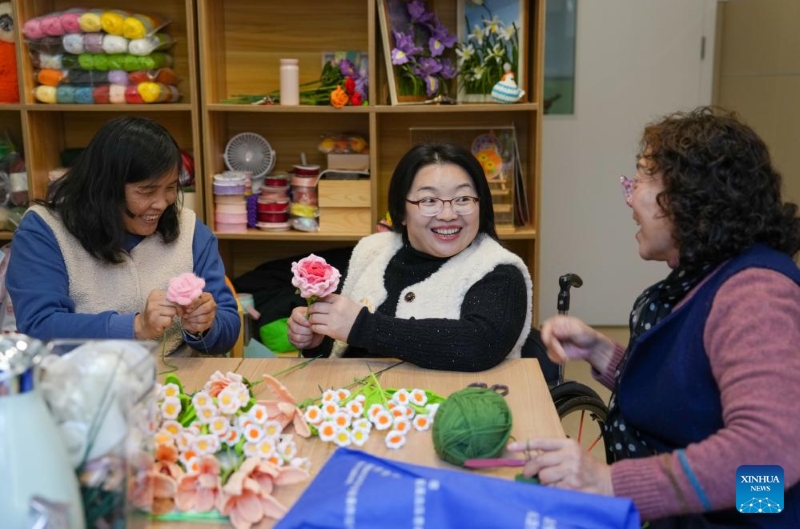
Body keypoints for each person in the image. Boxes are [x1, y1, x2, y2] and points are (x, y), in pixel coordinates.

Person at [508, 107, 800, 527]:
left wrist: (610, 482)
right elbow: (691, 397)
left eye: (641, 180)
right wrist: (603, 354)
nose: (629, 198)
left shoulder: (756, 295)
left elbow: (768, 461)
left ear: (690, 196)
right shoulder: (707, 277)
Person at [287, 142, 532, 371]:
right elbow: (342, 349)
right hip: (356, 398)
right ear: (401, 211)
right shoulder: (371, 251)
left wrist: (362, 326)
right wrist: (316, 340)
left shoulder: (499, 271)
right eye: (429, 200)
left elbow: (479, 345)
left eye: (463, 199)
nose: (448, 214)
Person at [7, 116, 240, 355]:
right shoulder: (44, 231)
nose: (162, 203)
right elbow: (39, 326)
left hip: (174, 377)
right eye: (146, 191)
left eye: (170, 188)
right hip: (79, 376)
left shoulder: (190, 229)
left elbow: (228, 326)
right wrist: (136, 326)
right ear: (105, 188)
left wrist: (204, 326)